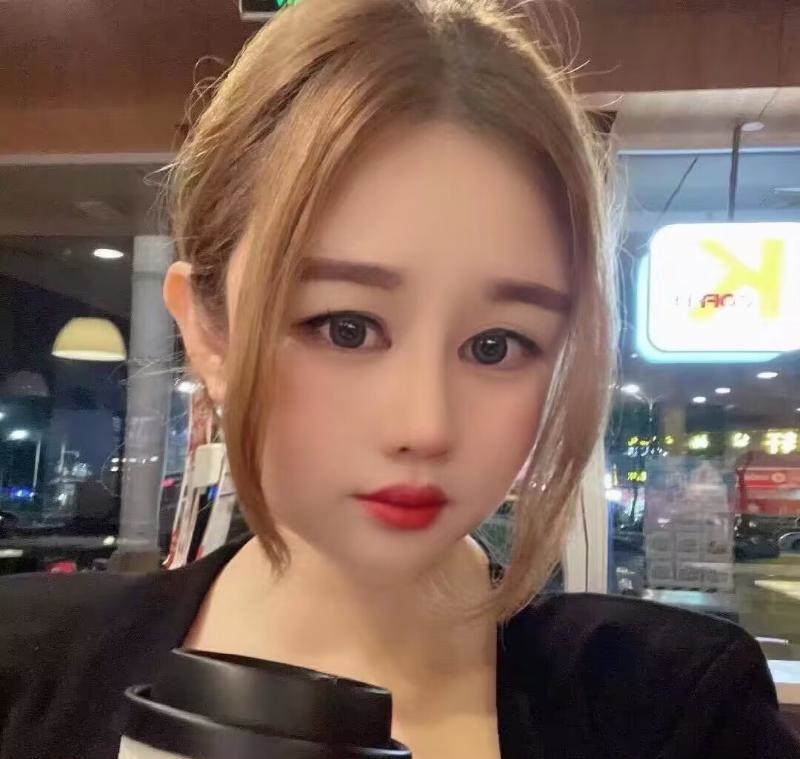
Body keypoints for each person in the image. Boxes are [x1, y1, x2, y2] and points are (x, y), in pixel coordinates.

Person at [1, 0, 798, 757]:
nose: (425, 424)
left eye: (496, 345)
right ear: (209, 332)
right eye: (345, 327)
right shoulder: (29, 668)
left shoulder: (670, 708)